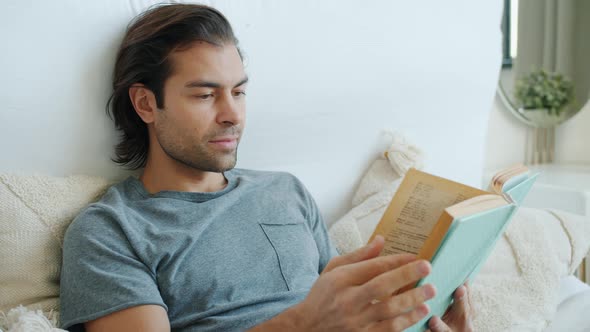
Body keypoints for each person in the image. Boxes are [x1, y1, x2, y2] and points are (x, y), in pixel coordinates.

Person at [59, 4, 473, 332]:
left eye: (239, 92)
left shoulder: (285, 191)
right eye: (205, 96)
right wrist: (303, 324)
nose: (232, 115)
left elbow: (347, 314)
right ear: (146, 104)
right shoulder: (111, 232)